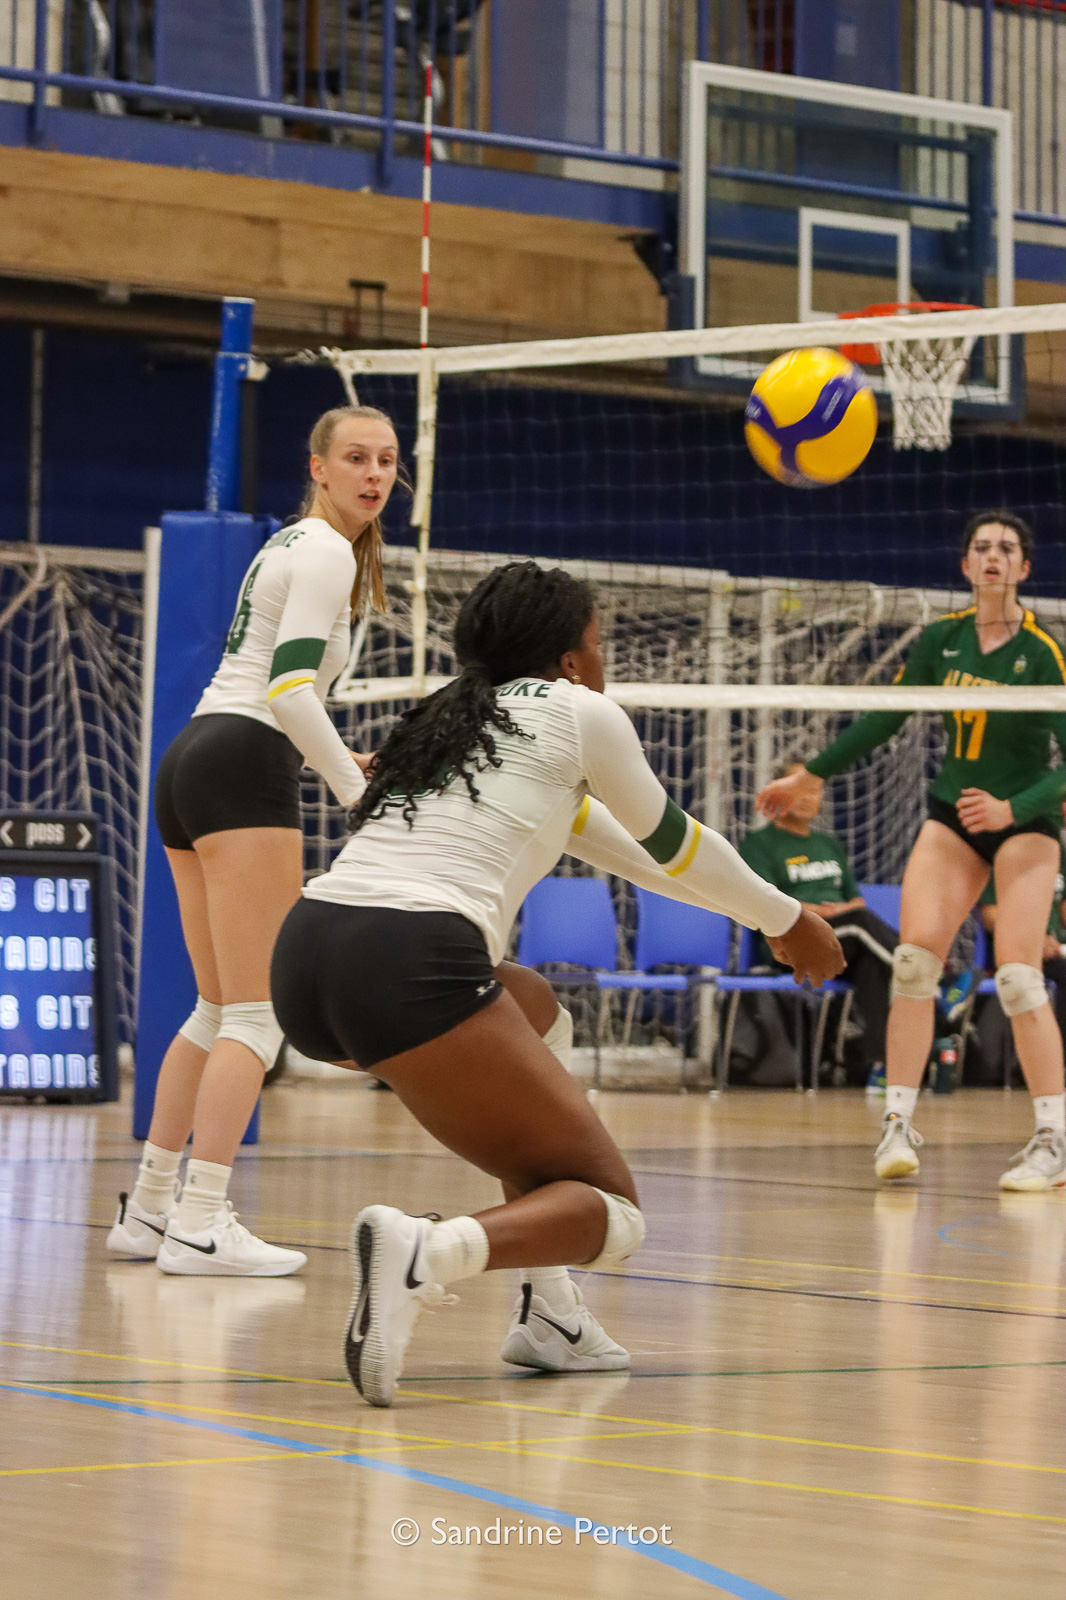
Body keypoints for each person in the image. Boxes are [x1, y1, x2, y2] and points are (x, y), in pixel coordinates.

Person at [270, 561, 843, 1406]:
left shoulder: (449, 721)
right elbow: (679, 844)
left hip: (309, 958)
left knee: (539, 1015)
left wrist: (768, 915)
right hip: (408, 967)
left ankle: (551, 1312)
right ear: (573, 660)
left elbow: (648, 867)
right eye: (598, 642)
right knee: (612, 1214)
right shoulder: (581, 715)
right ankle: (428, 1253)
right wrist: (789, 917)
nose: (602, 660)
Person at [107, 405, 399, 1275]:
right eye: (355, 458)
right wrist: (354, 792)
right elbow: (288, 689)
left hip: (195, 758)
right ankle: (203, 1219)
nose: (374, 474)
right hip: (239, 766)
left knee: (214, 1006)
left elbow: (270, 686)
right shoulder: (322, 550)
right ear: (317, 467)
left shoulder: (288, 546)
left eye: (386, 460)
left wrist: (340, 756)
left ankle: (151, 1209)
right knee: (258, 1012)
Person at [757, 511, 1066, 1191]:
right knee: (912, 964)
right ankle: (896, 1126)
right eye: (982, 547)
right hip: (954, 815)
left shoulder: (1041, 653)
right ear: (964, 566)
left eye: (1007, 549)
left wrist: (1016, 808)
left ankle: (1053, 1138)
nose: (993, 557)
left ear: (1024, 570)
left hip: (1023, 822)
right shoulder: (941, 641)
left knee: (1017, 977)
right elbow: (885, 718)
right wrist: (810, 772)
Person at [740, 764, 898, 1084]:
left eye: (813, 790)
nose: (807, 797)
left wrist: (839, 910)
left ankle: (880, 1068)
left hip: (846, 938)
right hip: (790, 942)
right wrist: (819, 913)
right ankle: (932, 976)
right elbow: (766, 901)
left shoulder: (829, 844)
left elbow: (856, 901)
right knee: (861, 925)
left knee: (872, 962)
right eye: (799, 789)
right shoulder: (759, 844)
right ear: (778, 790)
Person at [977, 837, 1066, 1066]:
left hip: (1058, 948)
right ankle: (1059, 1064)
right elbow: (990, 915)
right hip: (1017, 949)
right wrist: (1034, 939)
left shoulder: (1056, 847)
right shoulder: (1000, 850)